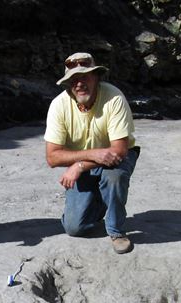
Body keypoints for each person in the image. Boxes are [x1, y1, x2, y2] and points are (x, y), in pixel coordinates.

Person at [44, 52, 140, 254]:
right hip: (89, 161)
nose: (79, 84)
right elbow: (52, 157)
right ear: (68, 83)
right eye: (74, 80)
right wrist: (93, 156)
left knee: (113, 177)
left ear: (96, 77)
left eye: (85, 77)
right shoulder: (58, 105)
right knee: (74, 228)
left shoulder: (114, 98)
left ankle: (116, 231)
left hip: (117, 159)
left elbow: (119, 150)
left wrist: (79, 165)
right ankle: (101, 200)